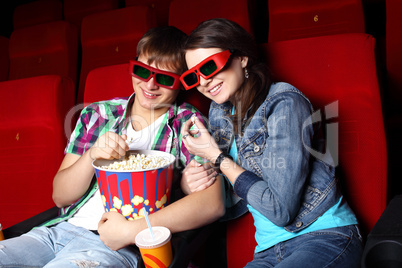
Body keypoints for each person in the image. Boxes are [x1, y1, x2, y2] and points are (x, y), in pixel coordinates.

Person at [0, 26, 224, 267]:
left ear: (181, 83)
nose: (149, 86)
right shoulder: (97, 114)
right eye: (142, 71)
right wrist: (92, 156)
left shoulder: (186, 122)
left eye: (165, 78)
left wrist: (131, 231)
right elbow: (60, 196)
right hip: (57, 232)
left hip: (117, 247)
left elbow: (214, 203)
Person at [180, 18, 363, 267]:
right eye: (193, 76)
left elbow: (281, 210)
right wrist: (193, 180)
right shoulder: (218, 112)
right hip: (267, 250)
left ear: (242, 57)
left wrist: (218, 158)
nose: (203, 82)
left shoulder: (285, 104)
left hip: (323, 237)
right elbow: (229, 193)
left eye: (210, 67)